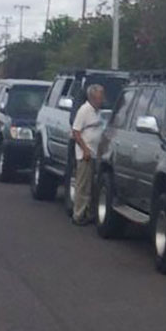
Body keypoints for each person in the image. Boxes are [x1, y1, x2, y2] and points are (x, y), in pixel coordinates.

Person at [70, 84, 105, 225]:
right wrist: (85, 150)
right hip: (85, 155)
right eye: (100, 97)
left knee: (91, 186)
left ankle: (88, 212)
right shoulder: (84, 110)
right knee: (82, 186)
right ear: (92, 97)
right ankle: (78, 215)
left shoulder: (97, 112)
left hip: (95, 154)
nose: (102, 99)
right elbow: (76, 132)